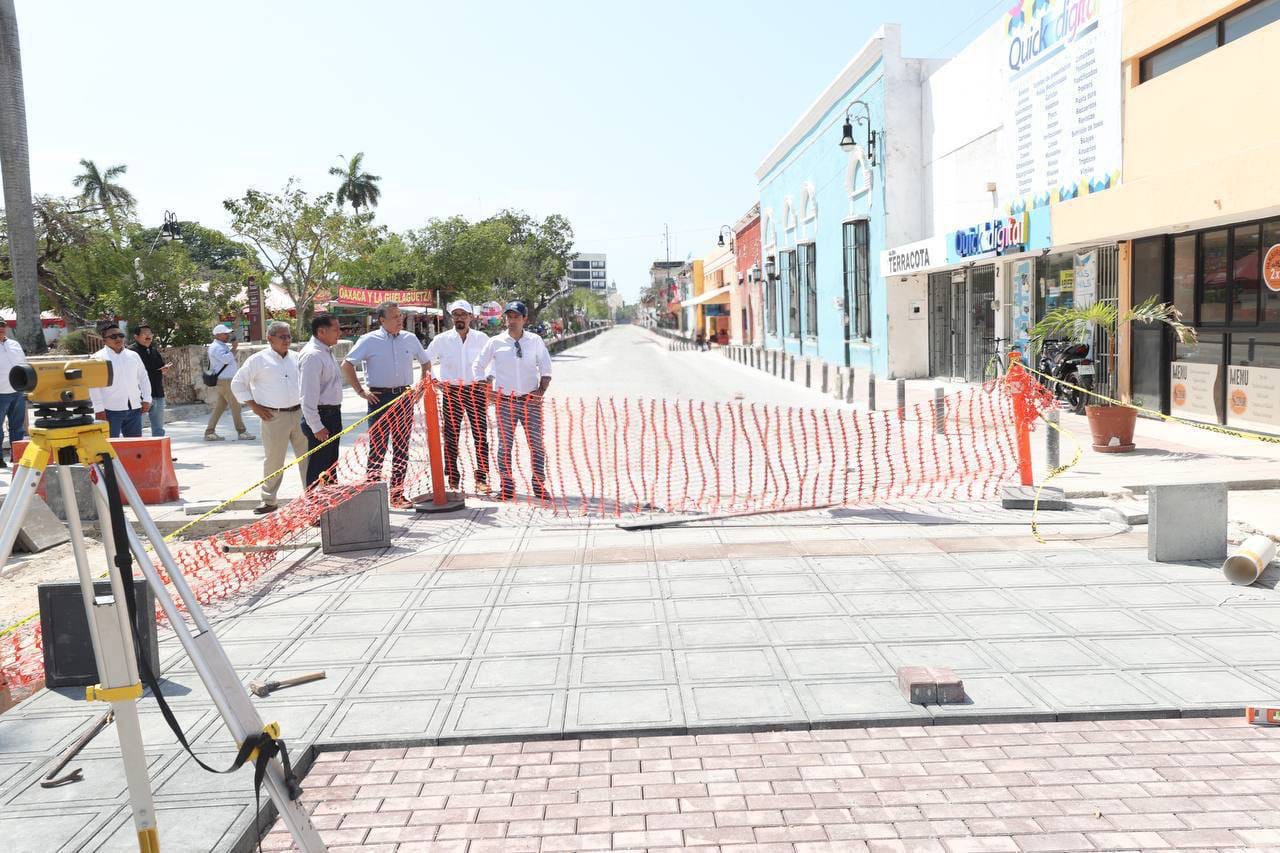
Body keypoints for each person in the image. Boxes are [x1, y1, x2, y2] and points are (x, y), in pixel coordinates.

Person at [341, 302, 430, 508]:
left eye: (400, 316)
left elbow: (426, 362)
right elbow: (347, 364)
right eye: (394, 317)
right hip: (379, 398)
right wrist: (361, 391)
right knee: (378, 448)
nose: (399, 320)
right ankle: (372, 497)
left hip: (404, 397)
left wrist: (421, 388)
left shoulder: (410, 338)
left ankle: (397, 495)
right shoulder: (368, 340)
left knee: (401, 447)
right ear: (382, 320)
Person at [472, 300, 552, 501]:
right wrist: (485, 389)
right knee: (504, 446)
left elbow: (546, 368)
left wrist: (541, 391)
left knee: (536, 445)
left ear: (525, 319)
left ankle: (539, 485)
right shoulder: (495, 342)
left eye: (516, 317)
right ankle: (507, 486)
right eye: (509, 317)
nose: (512, 321)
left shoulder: (535, 341)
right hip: (504, 402)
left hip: (530, 402)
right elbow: (478, 365)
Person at [231, 321, 306, 514]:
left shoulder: (298, 358)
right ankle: (269, 500)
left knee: (308, 458)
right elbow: (238, 383)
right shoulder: (258, 360)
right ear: (269, 338)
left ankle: (312, 497)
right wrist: (254, 406)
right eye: (282, 336)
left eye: (288, 336)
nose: (286, 340)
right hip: (274, 416)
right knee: (274, 460)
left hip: (300, 414)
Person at [426, 299, 491, 492]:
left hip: (475, 391)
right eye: (456, 315)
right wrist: (435, 382)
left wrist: (488, 379)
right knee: (451, 436)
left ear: (471, 317)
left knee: (480, 435)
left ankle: (481, 479)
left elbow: (493, 361)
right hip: (452, 392)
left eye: (463, 314)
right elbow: (426, 361)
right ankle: (453, 478)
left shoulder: (482, 338)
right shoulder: (442, 339)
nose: (460, 318)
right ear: (451, 317)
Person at [298, 313, 344, 488]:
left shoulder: (325, 351)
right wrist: (316, 426)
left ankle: (329, 509)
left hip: (332, 415)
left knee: (330, 468)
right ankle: (313, 510)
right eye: (335, 329)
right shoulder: (313, 356)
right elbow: (307, 395)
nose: (339, 333)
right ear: (321, 332)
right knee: (318, 469)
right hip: (321, 416)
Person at [89, 322, 151, 438]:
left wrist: (147, 398)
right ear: (104, 340)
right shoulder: (97, 359)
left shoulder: (133, 356)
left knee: (134, 446)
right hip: (110, 411)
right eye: (113, 336)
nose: (118, 338)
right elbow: (93, 386)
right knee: (110, 447)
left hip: (134, 409)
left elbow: (143, 377)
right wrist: (98, 409)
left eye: (121, 335)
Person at [205, 324, 253, 442]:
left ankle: (210, 432)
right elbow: (226, 359)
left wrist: (232, 349)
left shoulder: (220, 346)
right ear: (218, 335)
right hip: (225, 381)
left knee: (220, 407)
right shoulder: (216, 347)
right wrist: (234, 348)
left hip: (225, 380)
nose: (227, 335)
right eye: (225, 333)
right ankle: (241, 431)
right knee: (235, 405)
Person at [129, 325, 169, 438]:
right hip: (140, 397)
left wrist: (164, 369)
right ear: (136, 337)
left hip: (157, 394)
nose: (148, 336)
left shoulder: (154, 351)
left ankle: (159, 453)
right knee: (136, 429)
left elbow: (160, 368)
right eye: (145, 334)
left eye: (150, 334)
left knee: (159, 429)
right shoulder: (131, 352)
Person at [0, 322, 28, 468]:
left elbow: (23, 364)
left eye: (2, 325)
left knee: (17, 428)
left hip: (17, 391)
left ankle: (17, 457)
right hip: (0, 393)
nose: (1, 328)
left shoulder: (14, 344)